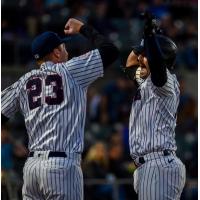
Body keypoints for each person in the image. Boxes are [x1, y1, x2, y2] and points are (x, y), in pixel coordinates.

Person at [1, 18, 119, 200]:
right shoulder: (70, 70)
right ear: (56, 53)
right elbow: (110, 51)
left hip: (32, 168)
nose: (67, 51)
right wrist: (83, 28)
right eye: (64, 48)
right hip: (61, 166)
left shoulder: (24, 82)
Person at [123, 12, 186, 200]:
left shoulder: (166, 83)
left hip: (158, 164)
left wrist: (151, 38)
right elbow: (129, 66)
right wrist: (145, 42)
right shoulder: (145, 82)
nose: (140, 59)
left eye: (145, 56)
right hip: (151, 166)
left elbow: (158, 68)